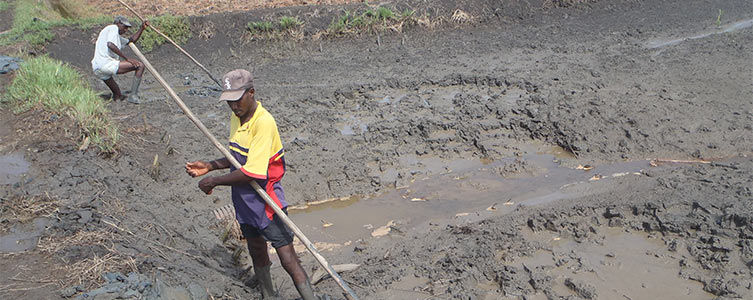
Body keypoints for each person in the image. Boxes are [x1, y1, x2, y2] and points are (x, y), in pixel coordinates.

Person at [185, 69, 317, 300]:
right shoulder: (236, 118)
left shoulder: (263, 123)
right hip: (244, 201)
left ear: (251, 93)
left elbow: (254, 172)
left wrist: (214, 181)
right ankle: (268, 295)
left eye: (237, 101)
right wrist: (211, 165)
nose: (234, 107)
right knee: (256, 250)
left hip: (266, 202)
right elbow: (238, 157)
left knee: (287, 257)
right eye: (230, 102)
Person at [91, 16, 148, 104]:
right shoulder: (113, 28)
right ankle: (133, 96)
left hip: (97, 67)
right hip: (106, 64)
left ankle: (117, 97)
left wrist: (142, 28)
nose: (126, 30)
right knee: (140, 66)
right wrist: (127, 59)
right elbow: (110, 44)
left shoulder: (114, 35)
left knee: (118, 95)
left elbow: (131, 41)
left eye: (127, 28)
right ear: (118, 23)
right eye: (124, 27)